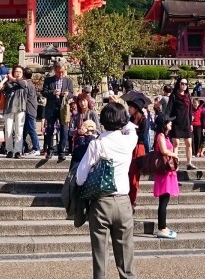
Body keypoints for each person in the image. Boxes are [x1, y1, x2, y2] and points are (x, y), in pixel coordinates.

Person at [76, 102, 137, 279]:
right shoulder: (129, 141)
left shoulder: (97, 144)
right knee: (126, 257)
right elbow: (132, 128)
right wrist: (124, 120)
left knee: (100, 255)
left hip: (101, 202)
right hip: (123, 201)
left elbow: (80, 178)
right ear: (122, 121)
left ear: (102, 121)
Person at [152, 114, 180, 239]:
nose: (171, 124)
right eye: (169, 122)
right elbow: (163, 151)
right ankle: (161, 228)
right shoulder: (160, 136)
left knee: (165, 199)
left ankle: (163, 226)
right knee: (163, 200)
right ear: (164, 124)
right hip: (164, 172)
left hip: (168, 171)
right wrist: (175, 154)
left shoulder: (165, 136)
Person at [42, 62, 74, 160]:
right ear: (55, 71)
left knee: (64, 129)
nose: (60, 74)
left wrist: (67, 94)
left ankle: (62, 151)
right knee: (50, 129)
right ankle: (50, 150)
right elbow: (44, 92)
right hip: (52, 106)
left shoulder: (68, 81)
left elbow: (72, 93)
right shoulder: (48, 80)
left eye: (62, 72)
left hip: (63, 107)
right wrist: (53, 92)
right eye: (58, 72)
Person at [165, 77, 196, 170]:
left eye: (186, 84)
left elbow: (190, 110)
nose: (184, 85)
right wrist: (167, 120)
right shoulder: (174, 96)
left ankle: (189, 163)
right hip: (176, 122)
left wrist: (191, 123)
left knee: (189, 143)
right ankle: (175, 163)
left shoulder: (188, 96)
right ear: (179, 84)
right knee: (176, 144)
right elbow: (169, 109)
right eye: (182, 83)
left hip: (186, 121)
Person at [0, 65, 28, 159]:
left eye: (20, 72)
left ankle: (17, 151)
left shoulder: (24, 82)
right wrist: (5, 80)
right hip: (9, 108)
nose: (18, 73)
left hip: (20, 108)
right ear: (13, 72)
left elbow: (22, 85)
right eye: (16, 71)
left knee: (19, 130)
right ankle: (9, 150)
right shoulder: (8, 83)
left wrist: (12, 78)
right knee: (8, 130)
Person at [127, 97, 149, 210]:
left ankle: (132, 199)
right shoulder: (130, 118)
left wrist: (134, 131)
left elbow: (144, 137)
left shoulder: (143, 120)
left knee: (134, 175)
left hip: (138, 147)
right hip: (129, 146)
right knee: (128, 174)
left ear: (136, 108)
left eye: (131, 107)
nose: (129, 109)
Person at [22, 68, 40, 156]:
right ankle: (22, 147)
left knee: (31, 129)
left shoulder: (27, 85)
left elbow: (24, 98)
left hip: (29, 109)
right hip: (32, 109)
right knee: (25, 130)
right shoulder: (31, 84)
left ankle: (36, 148)